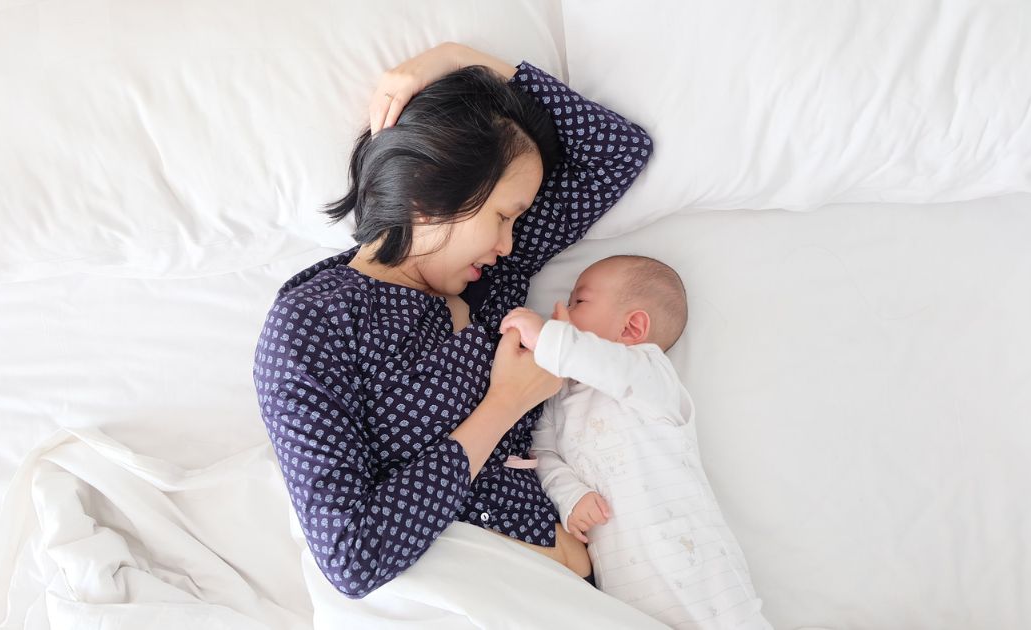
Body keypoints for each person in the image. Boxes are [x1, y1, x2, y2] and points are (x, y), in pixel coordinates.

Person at [252, 42, 653, 599]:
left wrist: (459, 60)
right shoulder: (313, 324)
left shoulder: (493, 278)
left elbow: (617, 152)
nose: (510, 241)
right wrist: (504, 404)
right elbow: (351, 555)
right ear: (431, 189)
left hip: (576, 593)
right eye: (503, 216)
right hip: (472, 594)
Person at [500, 255, 773, 629]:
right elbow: (543, 453)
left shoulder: (649, 375)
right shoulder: (559, 395)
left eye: (579, 301)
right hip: (629, 595)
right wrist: (570, 496)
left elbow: (605, 364)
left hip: (702, 577)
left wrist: (549, 338)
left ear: (632, 328)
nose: (559, 309)